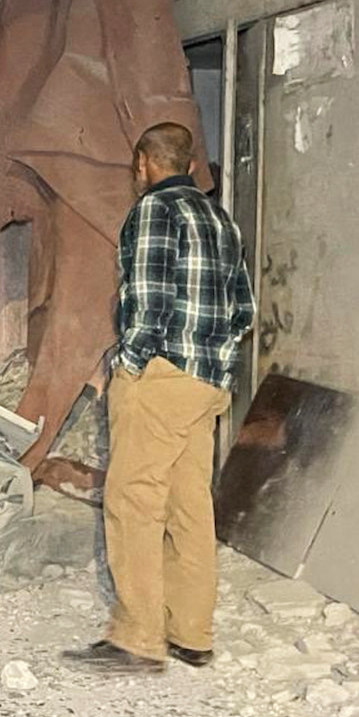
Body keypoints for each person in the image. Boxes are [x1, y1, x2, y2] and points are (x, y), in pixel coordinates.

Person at [65, 123, 254, 676]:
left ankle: (139, 638)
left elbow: (147, 300)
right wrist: (210, 356)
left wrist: (131, 362)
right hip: (207, 382)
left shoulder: (153, 212)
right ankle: (191, 634)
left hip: (160, 376)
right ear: (192, 165)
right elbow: (242, 308)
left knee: (132, 500)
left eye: (136, 166)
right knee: (189, 503)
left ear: (145, 163)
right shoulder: (222, 221)